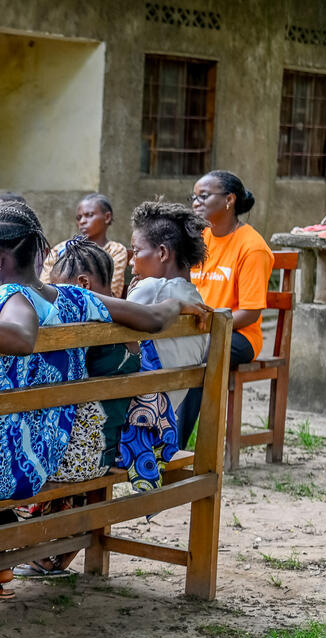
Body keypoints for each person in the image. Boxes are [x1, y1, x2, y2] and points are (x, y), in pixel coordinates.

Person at [0, 203, 205, 601]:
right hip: (43, 458)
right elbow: (154, 319)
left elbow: (22, 337)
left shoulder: (12, 295)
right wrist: (178, 305)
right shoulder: (75, 298)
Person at [12, 237, 142, 579]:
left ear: (82, 284)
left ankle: (34, 551)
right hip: (107, 449)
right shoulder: (125, 317)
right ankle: (50, 551)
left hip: (80, 459)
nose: (52, 296)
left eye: (55, 287)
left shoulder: (84, 327)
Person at [118, 201, 211, 492]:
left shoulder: (154, 289)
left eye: (136, 249)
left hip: (127, 430)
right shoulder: (195, 298)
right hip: (163, 428)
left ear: (162, 253)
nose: (132, 259)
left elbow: (100, 333)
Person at [190, 170, 274, 367]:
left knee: (189, 353)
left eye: (203, 196)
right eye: (193, 197)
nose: (195, 203)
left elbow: (250, 313)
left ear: (229, 199)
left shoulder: (253, 248)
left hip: (238, 335)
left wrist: (208, 323)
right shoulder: (198, 239)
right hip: (199, 328)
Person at [41, 194, 131, 298]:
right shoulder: (60, 249)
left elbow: (113, 293)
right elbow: (44, 287)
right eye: (79, 218)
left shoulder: (116, 250)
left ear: (107, 217)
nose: (82, 221)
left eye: (89, 215)